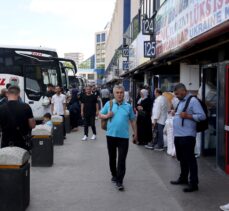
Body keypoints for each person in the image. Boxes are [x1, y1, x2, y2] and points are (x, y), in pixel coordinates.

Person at [99, 85, 137, 191]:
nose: (120, 94)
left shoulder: (128, 106)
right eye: (117, 92)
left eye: (121, 92)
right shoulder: (109, 104)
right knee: (112, 158)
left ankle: (120, 181)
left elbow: (133, 120)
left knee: (121, 160)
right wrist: (106, 116)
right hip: (110, 136)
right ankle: (114, 175)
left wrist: (135, 133)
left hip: (124, 137)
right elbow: (100, 114)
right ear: (114, 94)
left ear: (124, 93)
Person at [170, 83, 206, 192]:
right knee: (182, 159)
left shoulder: (193, 101)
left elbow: (202, 116)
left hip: (187, 135)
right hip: (179, 135)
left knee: (190, 159)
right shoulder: (181, 101)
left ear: (183, 91)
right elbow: (180, 114)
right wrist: (174, 113)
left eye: (177, 94)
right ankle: (183, 178)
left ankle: (194, 183)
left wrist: (188, 116)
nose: (176, 96)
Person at [0, 85, 36, 150]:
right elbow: (32, 125)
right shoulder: (26, 107)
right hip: (22, 143)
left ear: (7, 94)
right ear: (19, 94)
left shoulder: (1, 108)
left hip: (6, 143)